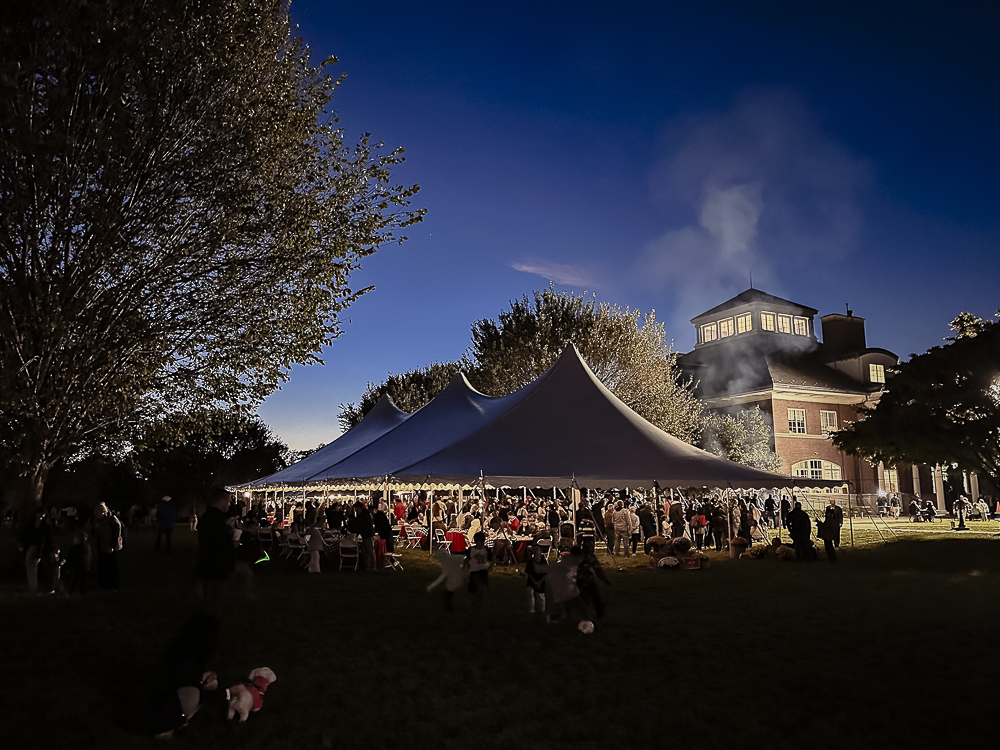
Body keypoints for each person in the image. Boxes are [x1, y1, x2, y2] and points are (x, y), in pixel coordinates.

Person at [197, 489, 236, 617]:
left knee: (208, 601)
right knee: (214, 604)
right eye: (229, 501)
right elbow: (220, 546)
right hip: (217, 569)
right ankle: (210, 629)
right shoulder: (217, 521)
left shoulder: (206, 518)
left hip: (205, 566)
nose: (229, 504)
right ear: (221, 502)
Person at [92, 503, 123, 590]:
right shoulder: (97, 521)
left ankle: (113, 586)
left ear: (103, 512)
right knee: (102, 566)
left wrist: (112, 546)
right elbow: (94, 534)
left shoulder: (112, 520)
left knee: (112, 567)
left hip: (110, 547)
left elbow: (116, 534)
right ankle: (104, 585)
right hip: (101, 546)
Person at [464, 531, 494, 612]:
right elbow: (466, 560)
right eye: (478, 542)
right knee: (472, 590)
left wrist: (489, 568)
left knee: (481, 590)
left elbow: (492, 559)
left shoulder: (486, 550)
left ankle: (479, 606)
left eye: (481, 542)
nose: (479, 544)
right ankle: (471, 604)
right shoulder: (471, 550)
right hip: (473, 572)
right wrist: (466, 568)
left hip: (483, 572)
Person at [525, 543, 547, 615]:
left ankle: (542, 610)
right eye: (534, 550)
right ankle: (531, 610)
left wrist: (540, 581)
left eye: (537, 549)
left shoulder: (544, 562)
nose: (535, 551)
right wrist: (534, 581)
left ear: (540, 551)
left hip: (541, 581)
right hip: (532, 581)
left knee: (541, 596)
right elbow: (529, 573)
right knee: (530, 593)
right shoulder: (530, 562)